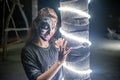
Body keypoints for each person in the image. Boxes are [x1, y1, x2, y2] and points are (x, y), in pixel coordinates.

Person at [21, 7, 72, 80]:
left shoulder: (55, 44)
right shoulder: (28, 52)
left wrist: (64, 50)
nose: (50, 32)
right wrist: (59, 62)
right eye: (45, 26)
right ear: (36, 24)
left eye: (53, 27)